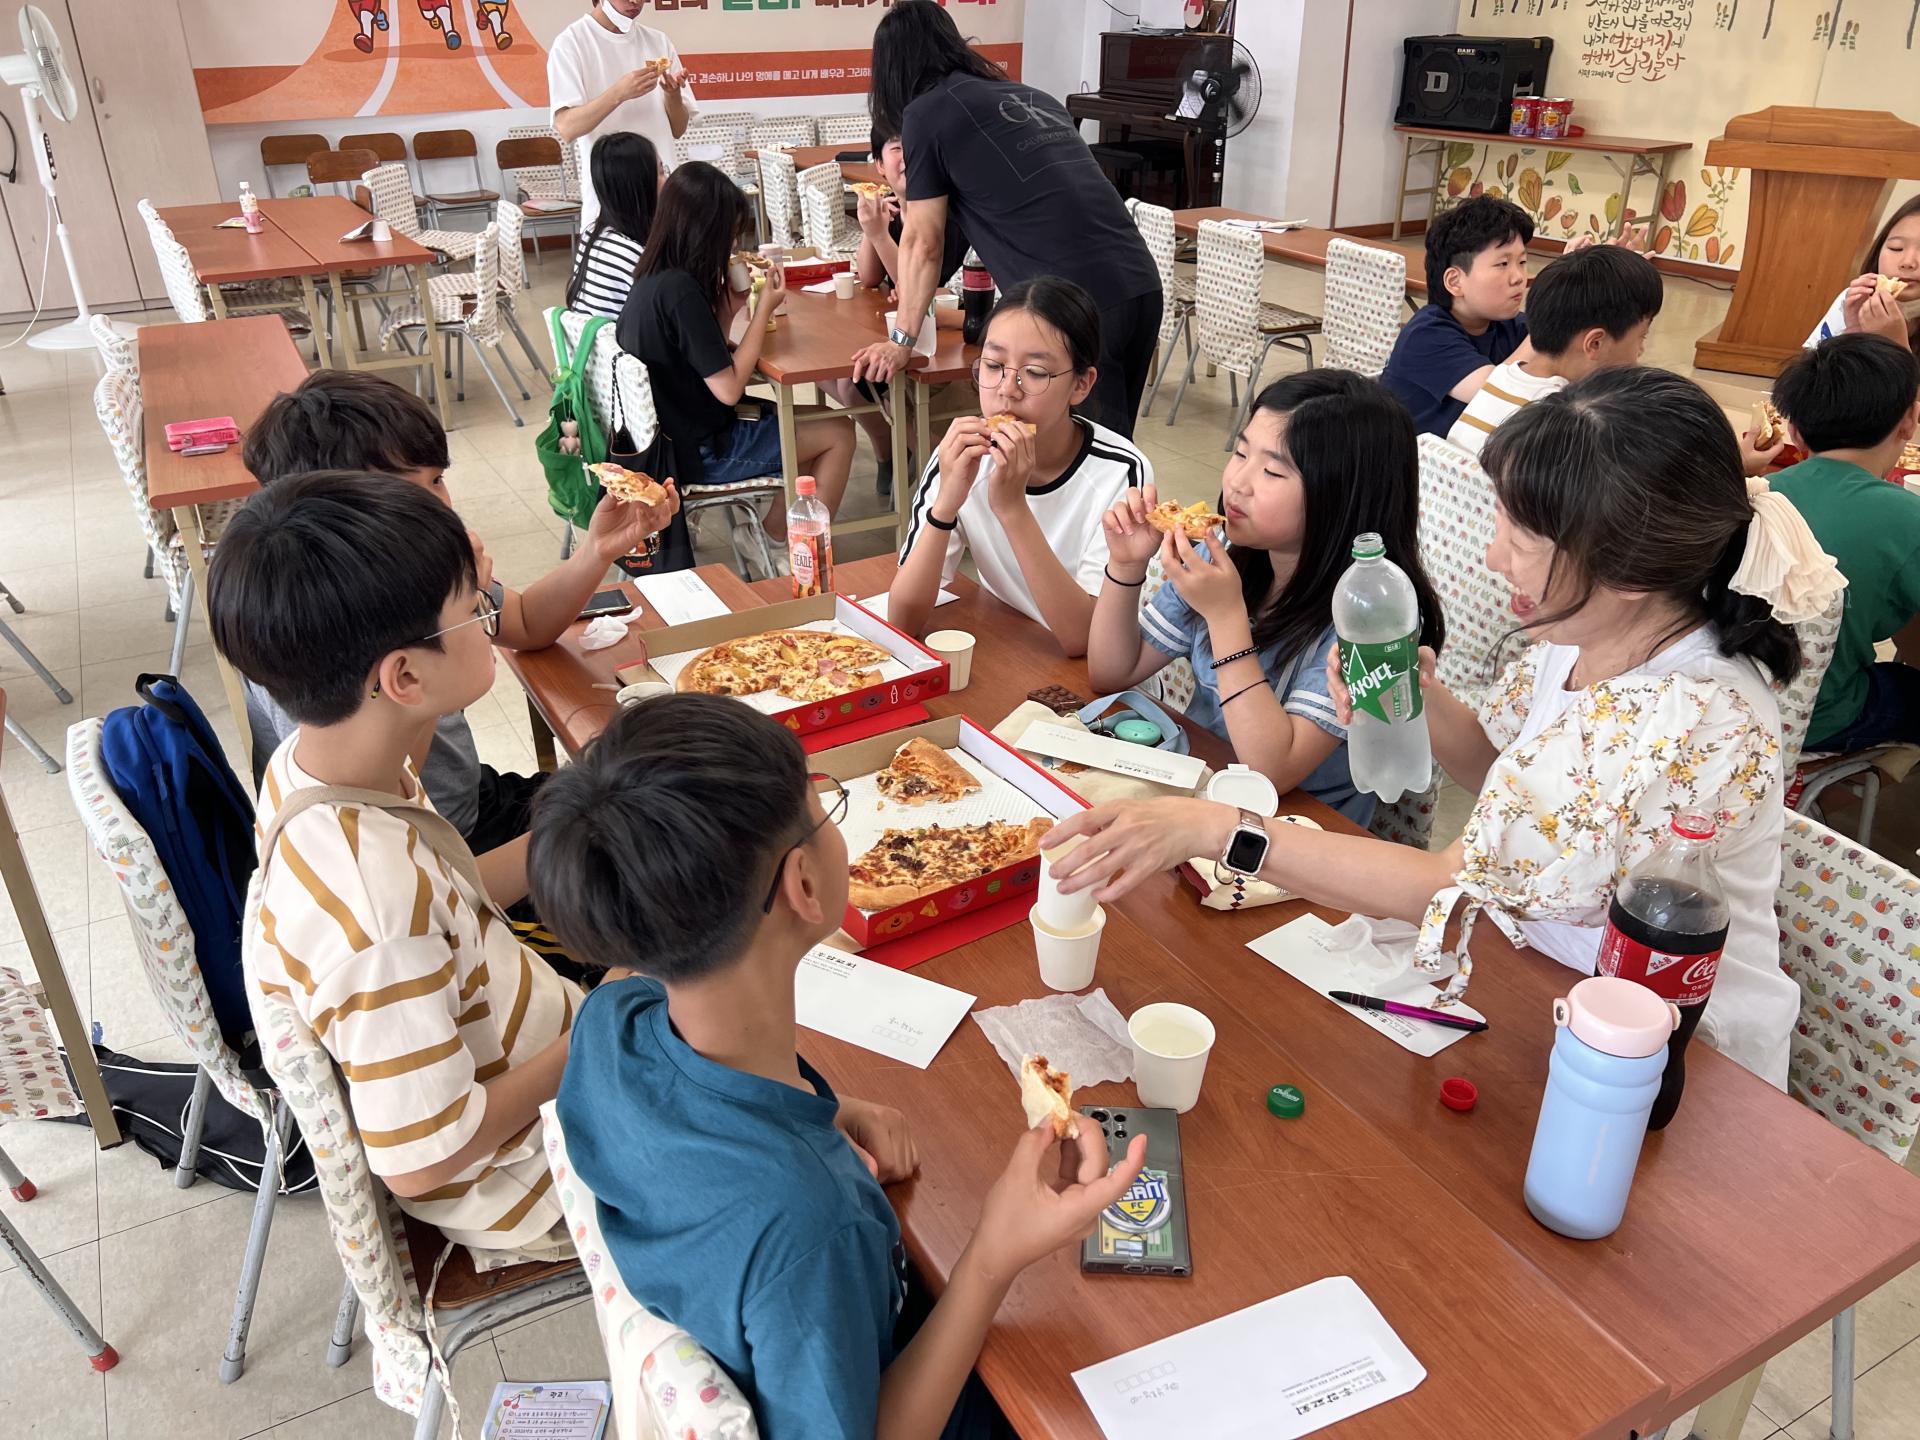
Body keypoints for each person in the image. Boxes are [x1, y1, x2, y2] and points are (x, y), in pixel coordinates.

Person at [1044, 368, 1846, 1092]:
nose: (1493, 559)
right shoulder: (1589, 631)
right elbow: (1500, 765)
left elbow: (1449, 883)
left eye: (1520, 540)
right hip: (1541, 977)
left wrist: (1220, 830)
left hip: (1665, 1054)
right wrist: (1416, 693)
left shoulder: (1687, 715)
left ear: (1628, 568)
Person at [536, 695, 1146, 1438]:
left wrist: (826, 1113)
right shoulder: (812, 1222)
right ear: (802, 883)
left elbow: (703, 1111)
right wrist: (994, 1254)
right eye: (823, 807)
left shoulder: (612, 1018)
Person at [215, 472, 585, 1261]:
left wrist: (574, 829)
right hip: (536, 1172)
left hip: (538, 1050)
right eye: (477, 609)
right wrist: (605, 1026)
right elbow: (422, 1158)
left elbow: (450, 897)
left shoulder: (320, 768)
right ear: (405, 677)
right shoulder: (376, 911)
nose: (491, 617)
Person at [239, 371, 677, 851]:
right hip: (444, 842)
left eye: (438, 480)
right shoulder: (312, 636)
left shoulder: (414, 563)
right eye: (412, 493)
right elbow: (415, 856)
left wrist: (597, 549)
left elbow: (525, 623)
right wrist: (582, 834)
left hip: (467, 808)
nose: (443, 508)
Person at [1089, 372, 1442, 826]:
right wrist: (1125, 566)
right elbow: (1112, 671)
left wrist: (1226, 617)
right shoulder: (1227, 556)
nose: (1237, 482)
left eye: (1272, 471)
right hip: (1205, 787)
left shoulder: (1369, 618)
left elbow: (1273, 771)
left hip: (1302, 827)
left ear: (1341, 495)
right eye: (1240, 453)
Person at [852, 1, 1162, 440]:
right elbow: (948, 247)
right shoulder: (1031, 96)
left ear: (891, 69)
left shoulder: (925, 113)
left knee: (1085, 458)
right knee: (1112, 447)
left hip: (1077, 301)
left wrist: (901, 341)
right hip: (1140, 282)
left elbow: (923, 243)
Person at [890, 278, 1151, 654]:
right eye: (994, 365)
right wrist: (945, 506)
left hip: (1083, 668)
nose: (1007, 389)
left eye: (1036, 372)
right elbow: (902, 619)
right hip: (1012, 644)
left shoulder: (1120, 472)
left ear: (1081, 384)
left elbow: (1086, 640)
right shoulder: (963, 454)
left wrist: (1012, 508)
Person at [619, 162, 855, 533]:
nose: (730, 246)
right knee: (837, 431)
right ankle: (777, 541)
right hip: (701, 452)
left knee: (814, 423)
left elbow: (704, 357)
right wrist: (763, 311)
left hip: (675, 436)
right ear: (705, 232)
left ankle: (766, 535)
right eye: (728, 235)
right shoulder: (681, 292)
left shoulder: (652, 277)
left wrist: (728, 311)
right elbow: (729, 389)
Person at [1771, 333, 1920, 751]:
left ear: (1794, 431)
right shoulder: (1905, 516)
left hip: (1734, 708)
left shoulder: (1755, 492)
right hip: (1819, 718)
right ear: (1910, 420)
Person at [1444, 244, 1663, 456]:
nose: (1641, 351)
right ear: (1595, 343)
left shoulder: (1503, 376)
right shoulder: (1567, 416)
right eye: (1641, 337)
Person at [1382, 196, 1534, 437]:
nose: (1519, 277)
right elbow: (1495, 394)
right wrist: (1549, 324)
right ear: (1455, 281)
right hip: (1411, 458)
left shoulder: (1510, 325)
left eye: (1522, 262)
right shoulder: (1426, 334)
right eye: (1503, 264)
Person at [548, 0, 695, 230]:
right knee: (616, 253)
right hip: (611, 196)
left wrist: (672, 95)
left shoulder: (658, 41)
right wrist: (619, 93)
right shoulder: (571, 43)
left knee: (669, 251)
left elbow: (678, 129)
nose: (636, 2)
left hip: (662, 192)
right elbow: (567, 127)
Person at [566, 132, 662, 319]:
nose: (668, 180)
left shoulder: (592, 234)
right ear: (639, 184)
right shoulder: (633, 255)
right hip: (623, 338)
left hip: (592, 337)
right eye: (661, 172)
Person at [1805, 195, 1920, 350]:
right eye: (1896, 248)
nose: (1908, 262)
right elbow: (1811, 363)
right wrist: (1853, 334)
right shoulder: (1856, 299)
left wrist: (1896, 346)